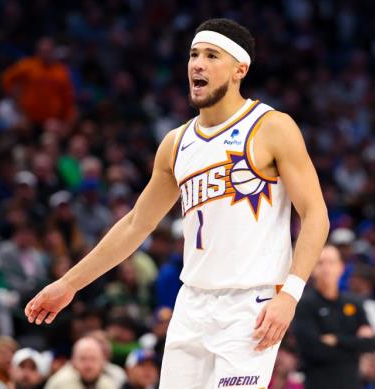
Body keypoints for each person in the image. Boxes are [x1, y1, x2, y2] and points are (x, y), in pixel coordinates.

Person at [25, 18, 329, 388]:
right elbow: (137, 223)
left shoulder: (271, 127)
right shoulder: (175, 143)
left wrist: (291, 296)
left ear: (239, 69)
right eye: (193, 55)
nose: (197, 64)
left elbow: (315, 215)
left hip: (252, 304)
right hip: (192, 304)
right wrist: (69, 284)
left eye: (211, 55)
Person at [293, 245, 375, 389]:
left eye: (331, 263)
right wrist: (354, 347)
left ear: (341, 267)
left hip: (351, 383)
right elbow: (313, 350)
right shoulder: (304, 304)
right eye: (320, 263)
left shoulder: (354, 303)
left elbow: (370, 344)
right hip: (319, 383)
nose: (326, 269)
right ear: (312, 269)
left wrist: (336, 340)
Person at [44, 336, 122, 389]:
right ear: (73, 361)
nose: (88, 365)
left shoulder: (108, 385)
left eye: (93, 359)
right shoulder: (60, 383)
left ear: (102, 362)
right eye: (83, 359)